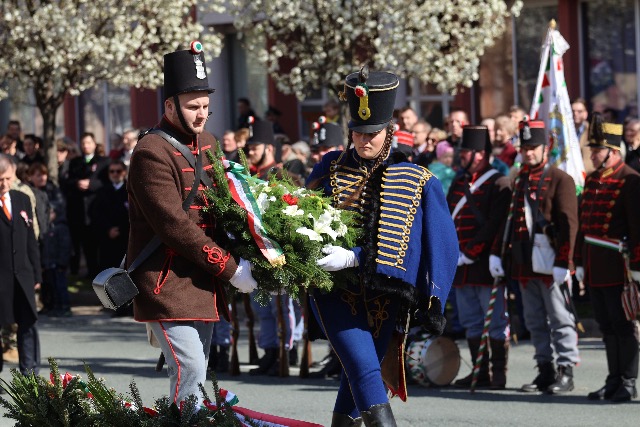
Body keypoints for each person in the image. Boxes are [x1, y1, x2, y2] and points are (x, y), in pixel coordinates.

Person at [306, 67, 458, 426]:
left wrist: (434, 296)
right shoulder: (329, 168)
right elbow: (300, 216)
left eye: (372, 133)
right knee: (363, 369)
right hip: (334, 290)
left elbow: (438, 238)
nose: (363, 141)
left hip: (385, 295)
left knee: (360, 376)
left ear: (389, 131)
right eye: (357, 133)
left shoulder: (417, 178)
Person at [127, 41, 257, 406]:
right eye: (192, 106)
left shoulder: (210, 142)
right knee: (191, 368)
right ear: (169, 106)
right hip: (166, 280)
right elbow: (174, 225)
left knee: (196, 374)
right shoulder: (151, 151)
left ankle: (183, 416)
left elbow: (224, 208)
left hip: (203, 279)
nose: (202, 115)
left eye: (205, 106)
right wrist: (231, 269)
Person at [490, 119, 580, 395]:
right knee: (534, 322)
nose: (528, 152)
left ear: (546, 148)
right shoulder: (521, 180)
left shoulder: (561, 179)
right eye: (525, 147)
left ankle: (566, 370)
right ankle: (545, 369)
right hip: (525, 265)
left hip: (551, 263)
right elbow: (509, 222)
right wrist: (497, 253)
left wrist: (564, 261)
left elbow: (569, 224)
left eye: (533, 147)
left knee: (560, 319)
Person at [575, 114, 640, 402]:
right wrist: (578, 261)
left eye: (597, 149)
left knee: (623, 326)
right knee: (606, 326)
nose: (592, 154)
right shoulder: (592, 181)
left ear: (613, 152)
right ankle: (613, 379)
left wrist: (637, 267)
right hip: (595, 267)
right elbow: (583, 225)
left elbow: (638, 229)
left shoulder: (630, 180)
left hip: (619, 269)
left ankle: (628, 380)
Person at [447, 126, 512, 389]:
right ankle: (479, 372)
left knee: (495, 322)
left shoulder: (499, 183)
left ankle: (498, 375)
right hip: (461, 266)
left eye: (467, 152)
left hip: (486, 264)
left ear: (481, 154)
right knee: (471, 322)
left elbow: (496, 224)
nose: (462, 156)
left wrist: (472, 251)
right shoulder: (459, 182)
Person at [244, 121, 296, 375]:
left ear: (268, 147)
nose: (250, 151)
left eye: (254, 147)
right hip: (255, 251)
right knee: (261, 306)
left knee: (282, 306)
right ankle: (270, 350)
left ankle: (287, 350)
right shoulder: (249, 176)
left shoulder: (283, 176)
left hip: (278, 252)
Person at [0, 154, 41, 375]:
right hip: (1, 276)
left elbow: (31, 240)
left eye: (7, 178)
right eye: (0, 180)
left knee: (28, 324)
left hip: (23, 274)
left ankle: (30, 374)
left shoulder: (21, 199)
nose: (4, 184)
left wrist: (37, 274)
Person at [64, 131, 109, 278]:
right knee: (86, 244)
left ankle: (103, 273)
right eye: (83, 143)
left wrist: (91, 185)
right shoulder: (75, 162)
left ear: (94, 144)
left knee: (100, 244)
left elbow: (107, 182)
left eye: (88, 143)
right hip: (80, 210)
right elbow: (68, 182)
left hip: (97, 208)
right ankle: (91, 273)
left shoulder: (104, 162)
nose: (86, 146)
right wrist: (77, 183)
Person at [572, 98, 593, 174]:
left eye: (579, 111)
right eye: (573, 111)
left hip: (585, 174)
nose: (575, 114)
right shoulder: (565, 131)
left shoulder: (591, 131)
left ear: (585, 114)